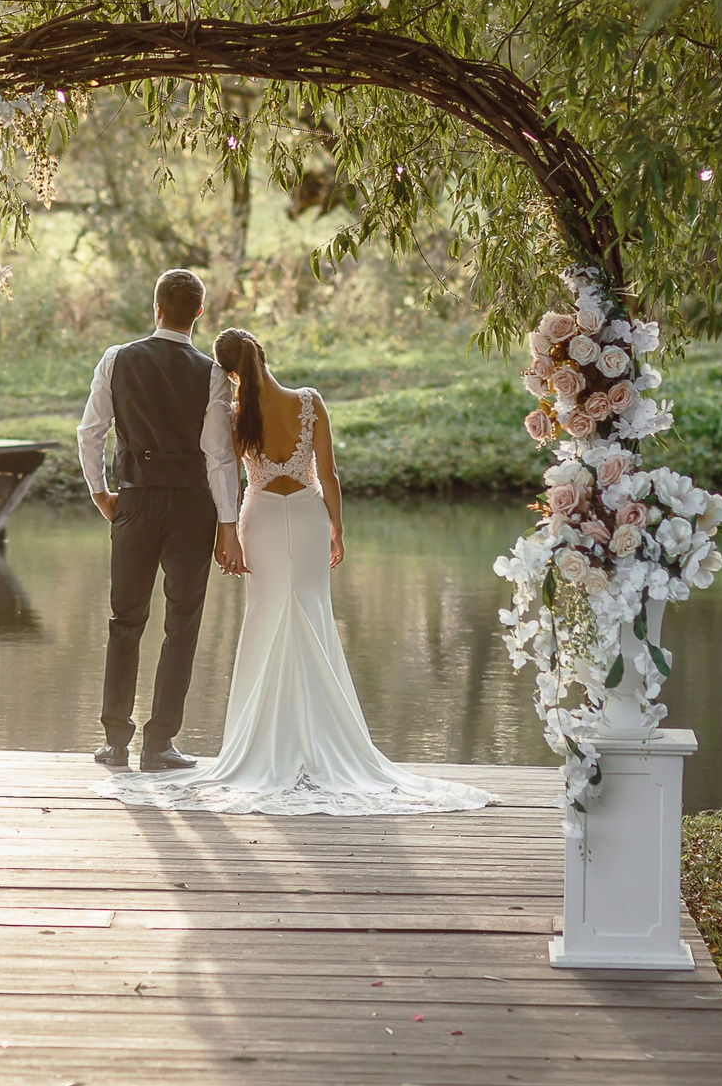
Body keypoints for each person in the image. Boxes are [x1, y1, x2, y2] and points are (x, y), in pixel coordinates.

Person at [95, 327, 495, 816]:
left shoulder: (235, 414)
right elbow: (328, 475)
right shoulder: (309, 401)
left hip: (259, 518)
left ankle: (258, 740)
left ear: (228, 372)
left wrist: (226, 531)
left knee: (264, 620)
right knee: (312, 615)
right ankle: (320, 736)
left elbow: (220, 463)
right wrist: (337, 529)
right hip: (307, 516)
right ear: (262, 354)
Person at [77, 269, 237, 771]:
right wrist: (228, 524)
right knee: (182, 625)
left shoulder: (116, 359)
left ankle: (115, 741)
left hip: (136, 501)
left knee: (125, 620)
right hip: (193, 507)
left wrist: (101, 493)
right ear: (199, 314)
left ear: (157, 308)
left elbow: (91, 433)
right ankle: (160, 744)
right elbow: (219, 454)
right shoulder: (211, 372)